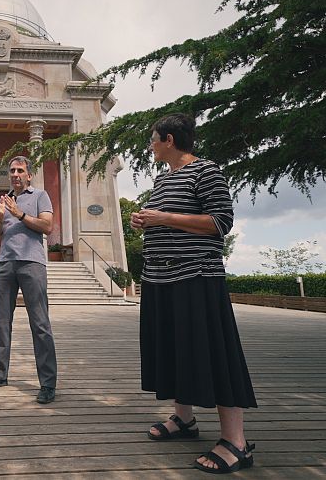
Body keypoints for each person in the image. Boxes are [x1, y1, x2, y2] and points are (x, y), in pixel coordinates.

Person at [130, 113, 256, 474]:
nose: (151, 146)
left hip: (197, 276)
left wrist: (163, 218)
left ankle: (236, 442)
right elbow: (164, 216)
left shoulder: (207, 171)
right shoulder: (162, 178)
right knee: (171, 348)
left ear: (169, 139)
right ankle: (183, 420)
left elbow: (220, 222)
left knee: (215, 351)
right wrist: (145, 220)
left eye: (153, 139)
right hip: (158, 277)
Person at [0, 156, 58, 404]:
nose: (15, 174)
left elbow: (47, 226)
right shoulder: (3, 201)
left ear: (29, 175)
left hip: (32, 263)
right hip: (4, 264)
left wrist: (20, 213)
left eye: (20, 170)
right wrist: (0, 216)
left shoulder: (40, 196)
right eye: (12, 170)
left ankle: (47, 383)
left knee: (40, 324)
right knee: (1, 323)